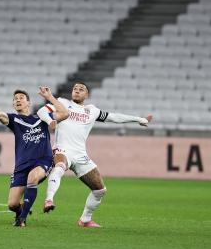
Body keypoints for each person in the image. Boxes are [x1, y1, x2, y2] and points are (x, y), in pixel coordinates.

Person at [37, 82, 152, 227]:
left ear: (87, 95)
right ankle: (49, 199)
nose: (77, 91)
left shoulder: (92, 111)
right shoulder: (62, 103)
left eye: (81, 89)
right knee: (59, 167)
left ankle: (85, 219)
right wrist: (50, 120)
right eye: (75, 89)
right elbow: (41, 111)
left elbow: (114, 117)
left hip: (81, 155)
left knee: (100, 190)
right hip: (62, 148)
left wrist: (139, 119)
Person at [0, 86, 68, 227]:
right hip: (22, 165)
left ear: (29, 103)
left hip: (42, 161)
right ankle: (21, 210)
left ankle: (22, 218)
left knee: (32, 178)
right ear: (13, 105)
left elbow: (64, 113)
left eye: (21, 98)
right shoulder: (14, 120)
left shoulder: (42, 117)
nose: (18, 100)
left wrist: (50, 97)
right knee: (12, 204)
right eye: (15, 99)